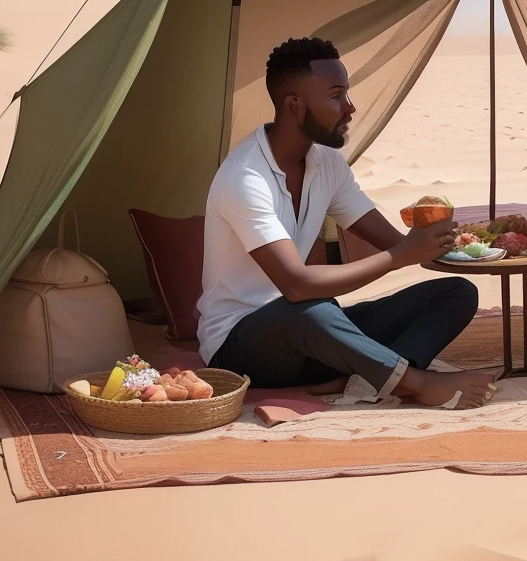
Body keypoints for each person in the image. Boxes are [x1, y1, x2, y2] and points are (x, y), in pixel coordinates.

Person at [198, 36, 498, 408]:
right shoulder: (245, 178)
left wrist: (452, 243)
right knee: (311, 309)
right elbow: (296, 285)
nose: (350, 107)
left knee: (455, 293)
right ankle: (414, 383)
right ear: (295, 105)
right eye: (337, 96)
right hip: (242, 347)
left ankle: (363, 377)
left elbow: (394, 242)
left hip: (314, 337)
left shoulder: (328, 164)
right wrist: (402, 254)